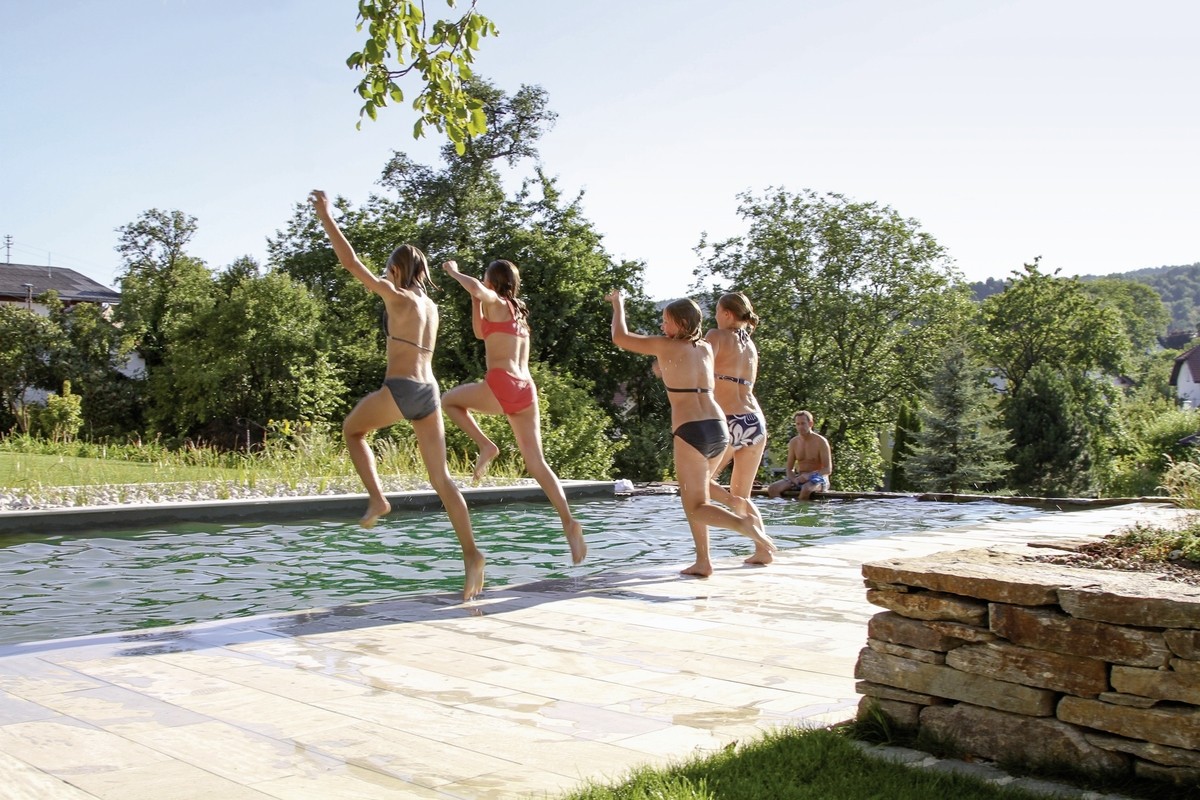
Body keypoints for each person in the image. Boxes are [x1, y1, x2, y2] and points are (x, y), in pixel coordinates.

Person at [310, 190, 485, 601]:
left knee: (353, 431)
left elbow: (350, 263)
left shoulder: (399, 296)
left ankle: (378, 499)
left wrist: (326, 217)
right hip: (429, 391)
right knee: (441, 480)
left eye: (389, 267)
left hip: (401, 387)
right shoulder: (431, 306)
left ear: (396, 268)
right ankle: (472, 553)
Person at [605, 289, 775, 576]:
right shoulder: (706, 348)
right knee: (701, 495)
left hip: (691, 429)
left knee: (695, 504)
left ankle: (742, 525)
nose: (662, 327)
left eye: (666, 322)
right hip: (721, 426)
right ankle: (704, 559)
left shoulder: (669, 345)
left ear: (682, 325)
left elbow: (620, 337)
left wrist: (618, 305)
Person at [439, 259, 587, 564]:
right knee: (537, 463)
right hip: (525, 389)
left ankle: (485, 444)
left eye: (484, 282)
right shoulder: (517, 315)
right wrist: (474, 299)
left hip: (500, 383)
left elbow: (480, 291)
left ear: (492, 283)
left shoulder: (496, 300)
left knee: (449, 401)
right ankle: (568, 522)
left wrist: (454, 272)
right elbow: (481, 333)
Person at [704, 292, 772, 565]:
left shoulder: (717, 336)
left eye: (718, 312)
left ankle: (732, 507)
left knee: (699, 485)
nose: (716, 317)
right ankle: (763, 549)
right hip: (755, 421)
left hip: (730, 420)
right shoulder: (750, 345)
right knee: (742, 493)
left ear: (727, 314)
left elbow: (697, 365)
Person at [767, 410, 833, 500]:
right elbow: (789, 469)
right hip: (800, 477)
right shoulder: (794, 442)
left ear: (810, 424)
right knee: (772, 488)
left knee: (806, 489)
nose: (800, 427)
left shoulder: (821, 442)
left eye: (803, 423)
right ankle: (783, 510)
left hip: (819, 478)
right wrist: (794, 479)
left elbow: (827, 469)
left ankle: (801, 512)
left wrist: (809, 476)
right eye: (798, 424)